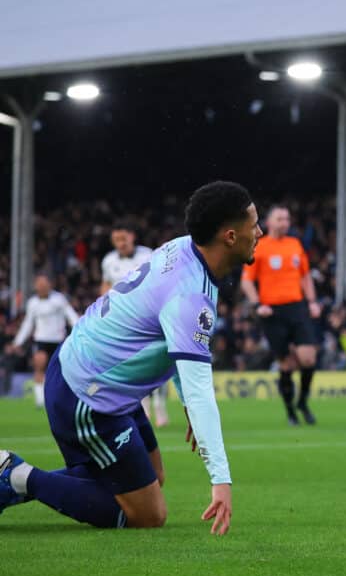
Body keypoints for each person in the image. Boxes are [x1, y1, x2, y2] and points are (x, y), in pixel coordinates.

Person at [0, 181, 260, 534]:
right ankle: (17, 475)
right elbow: (201, 391)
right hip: (86, 395)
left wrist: (185, 404)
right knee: (148, 515)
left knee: (152, 476)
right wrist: (221, 481)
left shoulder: (181, 248)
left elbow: (179, 348)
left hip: (97, 374)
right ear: (230, 236)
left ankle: (18, 478)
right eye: (253, 224)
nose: (259, 232)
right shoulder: (190, 297)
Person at [240, 205, 321, 426]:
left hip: (296, 307)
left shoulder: (295, 245)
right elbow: (246, 281)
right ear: (269, 222)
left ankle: (302, 402)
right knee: (286, 364)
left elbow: (305, 276)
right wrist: (257, 304)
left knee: (308, 357)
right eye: (280, 219)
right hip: (272, 311)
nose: (284, 222)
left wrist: (312, 302)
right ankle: (291, 412)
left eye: (286, 218)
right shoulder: (260, 247)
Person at [101, 222, 164, 426]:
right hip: (124, 321)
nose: (120, 243)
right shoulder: (109, 261)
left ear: (132, 236)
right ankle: (143, 407)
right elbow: (106, 286)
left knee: (157, 362)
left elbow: (161, 281)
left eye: (123, 239)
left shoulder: (148, 255)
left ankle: (160, 404)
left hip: (149, 317)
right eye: (116, 240)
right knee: (135, 364)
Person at [11, 274, 79, 408]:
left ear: (49, 285)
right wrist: (17, 342)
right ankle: (40, 400)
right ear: (35, 286)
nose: (41, 287)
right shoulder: (32, 303)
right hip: (41, 340)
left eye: (44, 284)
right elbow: (28, 324)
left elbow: (70, 315)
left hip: (58, 340)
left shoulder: (59, 299)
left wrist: (79, 329)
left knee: (62, 371)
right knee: (39, 365)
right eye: (39, 285)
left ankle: (61, 398)